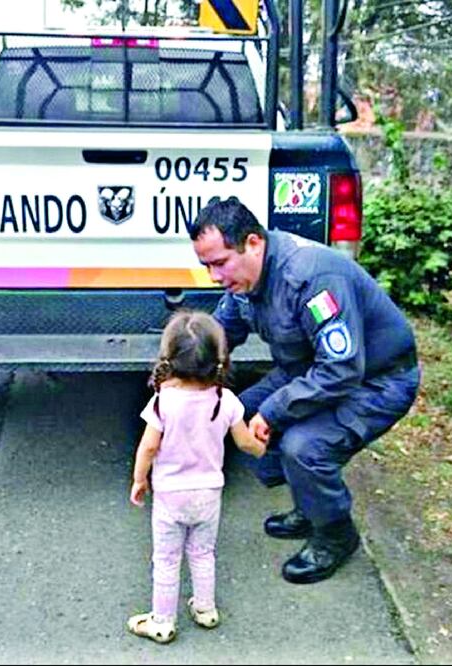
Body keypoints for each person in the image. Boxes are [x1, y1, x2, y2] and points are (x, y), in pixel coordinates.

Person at [187, 197, 420, 585]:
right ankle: (311, 502)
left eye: (220, 262)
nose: (214, 276)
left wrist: (274, 411)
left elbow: (342, 369)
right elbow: (222, 332)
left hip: (378, 380)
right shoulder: (245, 276)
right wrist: (186, 377)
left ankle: (335, 534)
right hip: (310, 371)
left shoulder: (311, 279)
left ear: (253, 243)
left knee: (303, 445)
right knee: (234, 413)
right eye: (206, 265)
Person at [126, 310, 266, 644]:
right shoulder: (226, 400)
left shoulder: (163, 402)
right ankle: (205, 610)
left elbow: (147, 448)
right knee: (203, 553)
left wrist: (139, 480)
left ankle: (162, 621)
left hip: (171, 496)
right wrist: (264, 447)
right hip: (209, 495)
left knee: (167, 559)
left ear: (169, 358)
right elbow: (245, 442)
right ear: (218, 359)